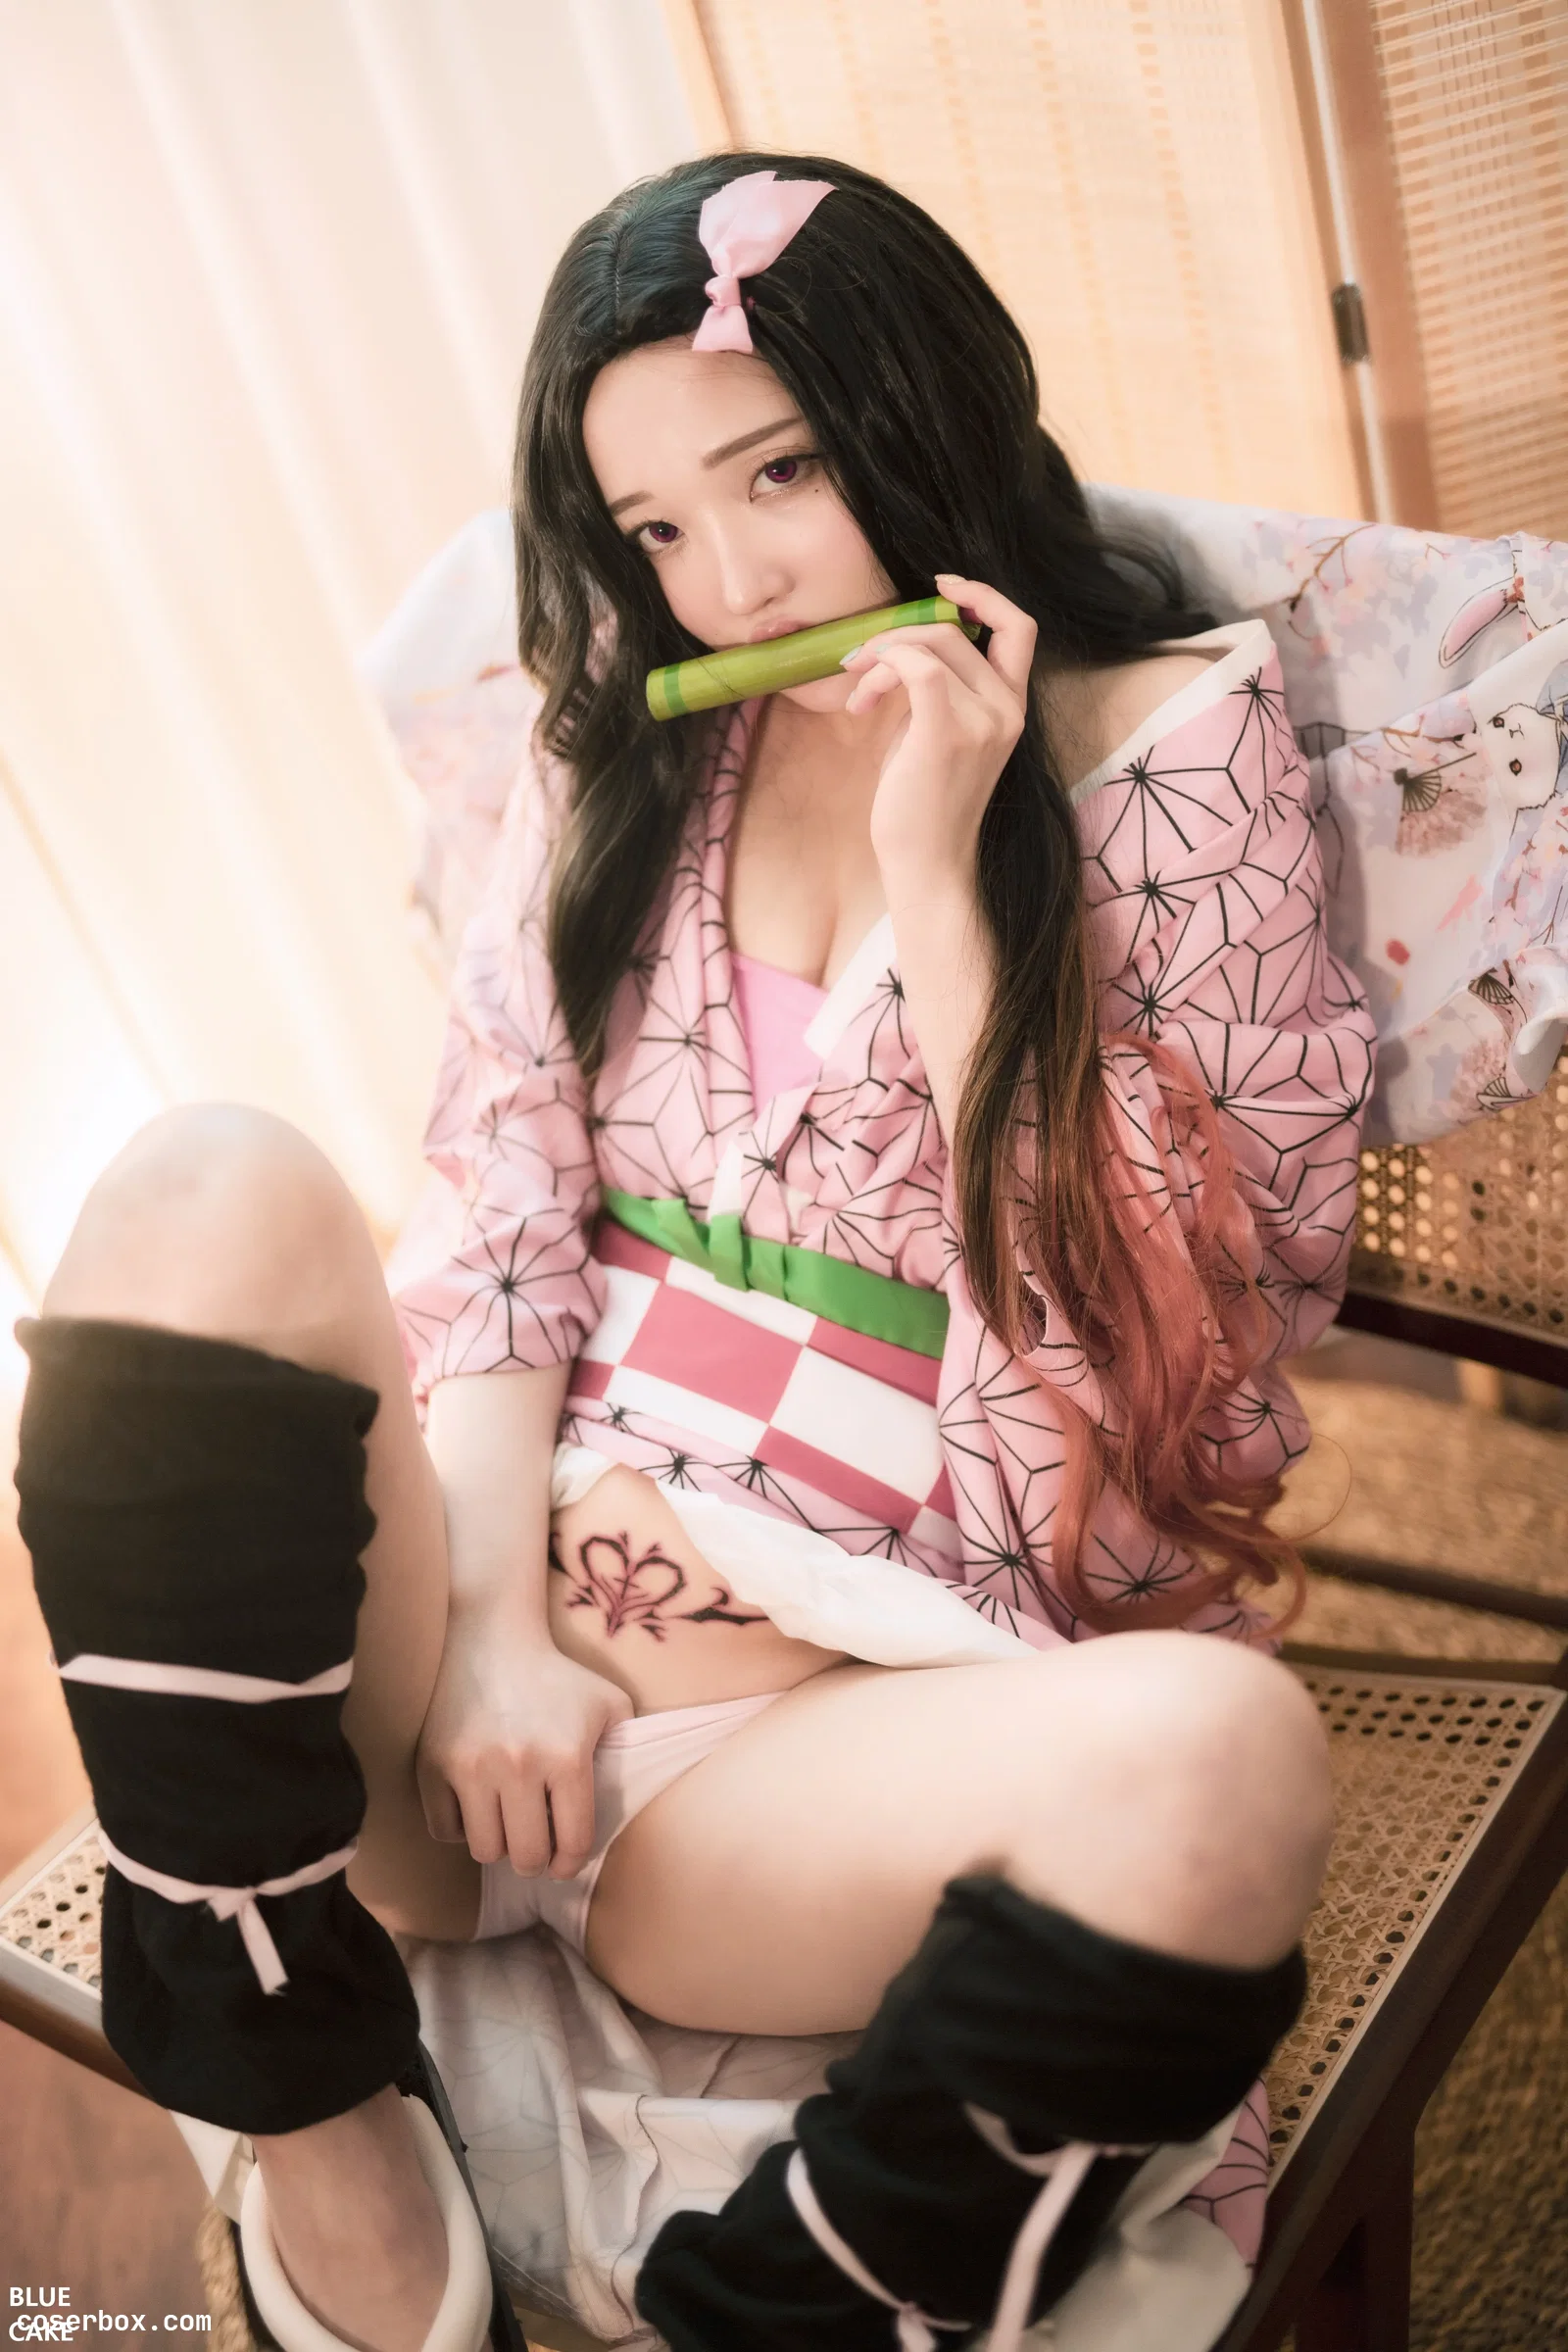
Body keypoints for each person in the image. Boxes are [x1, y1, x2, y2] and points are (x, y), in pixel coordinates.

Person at [14, 155, 1375, 2352]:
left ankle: (783, 2312)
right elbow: (498, 1221)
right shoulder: (634, 732)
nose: (727, 584)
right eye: (651, 528)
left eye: (779, 475)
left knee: (1226, 1755)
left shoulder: (1180, 760)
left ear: (921, 413)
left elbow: (1175, 1385)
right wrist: (484, 1634)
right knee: (201, 1178)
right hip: (461, 1701)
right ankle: (312, 2107)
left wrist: (946, 886)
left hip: (796, 1766)